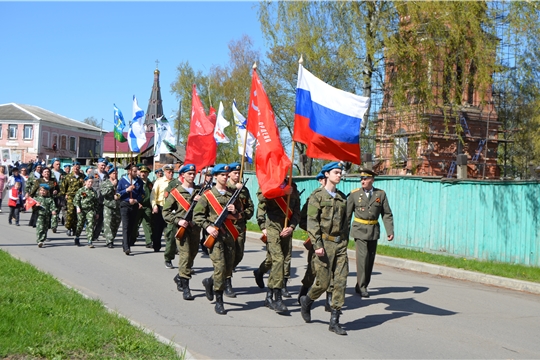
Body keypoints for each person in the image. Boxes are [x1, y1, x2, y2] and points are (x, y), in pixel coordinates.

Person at [300, 161, 349, 335]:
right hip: (323, 244)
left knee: (341, 281)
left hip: (340, 244)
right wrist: (317, 245)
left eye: (340, 172)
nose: (339, 175)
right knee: (323, 283)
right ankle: (307, 301)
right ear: (326, 174)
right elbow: (312, 222)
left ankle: (334, 321)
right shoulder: (317, 196)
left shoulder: (342, 198)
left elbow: (345, 223)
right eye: (336, 172)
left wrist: (344, 241)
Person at [193, 164, 241, 315]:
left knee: (228, 267)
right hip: (214, 236)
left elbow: (241, 216)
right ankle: (219, 301)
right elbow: (198, 216)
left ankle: (209, 281)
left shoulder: (233, 194)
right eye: (222, 175)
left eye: (227, 175)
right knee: (220, 267)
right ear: (215, 177)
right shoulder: (208, 195)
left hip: (229, 235)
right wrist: (208, 227)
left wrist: (236, 211)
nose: (225, 177)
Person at [254, 178, 301, 313]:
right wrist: (281, 192)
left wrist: (292, 226)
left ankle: (268, 296)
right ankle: (278, 297)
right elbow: (262, 198)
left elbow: (296, 209)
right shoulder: (269, 182)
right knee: (278, 260)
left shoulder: (293, 185)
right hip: (273, 226)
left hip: (286, 227)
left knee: (279, 260)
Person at [346, 168, 394, 298]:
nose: (363, 180)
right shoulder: (354, 194)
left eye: (366, 178)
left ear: (372, 180)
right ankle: (362, 287)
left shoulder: (380, 194)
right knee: (363, 258)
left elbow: (386, 214)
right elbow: (347, 214)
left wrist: (390, 231)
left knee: (370, 260)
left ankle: (362, 283)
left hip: (373, 230)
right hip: (359, 230)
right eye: (361, 178)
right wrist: (343, 232)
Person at [162, 164, 201, 300]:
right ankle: (186, 287)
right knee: (184, 257)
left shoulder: (199, 191)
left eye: (193, 173)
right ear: (183, 175)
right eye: (189, 173)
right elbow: (165, 212)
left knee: (192, 256)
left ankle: (179, 276)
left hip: (195, 228)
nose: (192, 175)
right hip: (182, 230)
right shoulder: (176, 192)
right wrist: (178, 221)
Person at [224, 162, 254, 297]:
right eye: (235, 173)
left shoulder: (244, 190)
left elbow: (250, 208)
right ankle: (227, 282)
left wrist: (241, 214)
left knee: (239, 254)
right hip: (227, 226)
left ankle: (216, 279)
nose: (237, 175)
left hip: (240, 226)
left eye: (239, 173)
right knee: (229, 255)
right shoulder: (224, 188)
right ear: (229, 174)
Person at [297, 172, 327, 305]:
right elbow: (303, 220)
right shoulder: (313, 198)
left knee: (332, 272)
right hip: (317, 241)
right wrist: (314, 233)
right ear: (321, 180)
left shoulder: (337, 197)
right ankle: (304, 293)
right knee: (312, 270)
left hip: (332, 241)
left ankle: (330, 301)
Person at [117, 163, 144, 255]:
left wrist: (136, 200)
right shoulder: (122, 181)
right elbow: (117, 195)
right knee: (126, 226)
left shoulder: (139, 182)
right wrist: (127, 191)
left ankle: (125, 242)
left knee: (132, 227)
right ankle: (127, 247)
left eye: (137, 171)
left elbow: (142, 194)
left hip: (134, 205)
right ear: (129, 171)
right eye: (135, 171)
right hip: (125, 205)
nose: (137, 173)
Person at [151, 164, 174, 256]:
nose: (171, 174)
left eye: (172, 172)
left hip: (171, 209)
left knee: (171, 229)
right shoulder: (159, 181)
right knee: (158, 228)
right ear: (165, 172)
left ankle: (171, 247)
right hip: (160, 207)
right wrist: (154, 205)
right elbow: (153, 194)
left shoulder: (175, 182)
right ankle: (156, 245)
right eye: (169, 172)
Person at [30, 167, 60, 233]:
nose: (47, 173)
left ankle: (53, 226)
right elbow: (33, 191)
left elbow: (58, 189)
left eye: (48, 172)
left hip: (51, 200)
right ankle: (41, 232)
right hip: (41, 200)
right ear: (42, 173)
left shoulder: (53, 181)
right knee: (41, 216)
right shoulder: (39, 181)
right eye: (45, 172)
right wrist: (30, 198)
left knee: (52, 215)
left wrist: (56, 191)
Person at [73, 175, 99, 247]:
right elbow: (76, 200)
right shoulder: (81, 190)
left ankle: (89, 241)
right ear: (85, 182)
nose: (90, 183)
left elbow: (96, 203)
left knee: (90, 224)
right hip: (81, 210)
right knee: (80, 224)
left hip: (90, 210)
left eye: (91, 182)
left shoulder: (94, 192)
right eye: (89, 182)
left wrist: (97, 212)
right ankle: (77, 237)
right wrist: (78, 207)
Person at [131, 165, 153, 247]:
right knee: (135, 224)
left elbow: (152, 195)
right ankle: (132, 239)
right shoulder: (136, 182)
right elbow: (133, 194)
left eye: (145, 172)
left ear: (148, 174)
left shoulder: (150, 184)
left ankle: (149, 241)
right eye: (142, 172)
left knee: (147, 224)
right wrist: (137, 203)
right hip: (138, 205)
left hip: (147, 206)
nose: (143, 174)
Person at [61, 162, 84, 236]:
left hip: (79, 197)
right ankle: (68, 227)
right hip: (70, 197)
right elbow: (63, 187)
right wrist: (65, 194)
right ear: (72, 168)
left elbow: (84, 188)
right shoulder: (68, 177)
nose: (76, 168)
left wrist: (84, 196)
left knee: (77, 214)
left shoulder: (82, 177)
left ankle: (74, 228)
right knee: (70, 213)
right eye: (74, 167)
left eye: (77, 167)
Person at [101, 167, 121, 248]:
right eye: (113, 173)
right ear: (110, 174)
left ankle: (112, 237)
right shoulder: (105, 183)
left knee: (116, 224)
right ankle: (109, 241)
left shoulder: (120, 182)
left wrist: (118, 195)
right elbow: (103, 193)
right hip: (108, 205)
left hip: (117, 206)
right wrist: (112, 186)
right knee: (108, 224)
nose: (115, 175)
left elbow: (122, 192)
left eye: (116, 173)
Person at [33, 183, 57, 248]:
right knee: (40, 228)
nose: (42, 192)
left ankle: (43, 239)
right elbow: (33, 207)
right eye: (41, 190)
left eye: (44, 191)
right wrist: (36, 206)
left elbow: (53, 206)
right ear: (39, 191)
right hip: (40, 215)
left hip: (47, 216)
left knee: (45, 228)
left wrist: (53, 210)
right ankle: (39, 241)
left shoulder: (49, 199)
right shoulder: (36, 198)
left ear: (47, 192)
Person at [91, 158, 109, 243]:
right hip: (94, 199)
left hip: (103, 199)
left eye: (104, 165)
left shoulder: (106, 174)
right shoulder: (93, 173)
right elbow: (87, 184)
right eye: (102, 165)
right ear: (98, 165)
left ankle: (95, 235)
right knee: (93, 218)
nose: (103, 166)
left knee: (101, 219)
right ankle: (90, 234)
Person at [26, 162, 42, 227]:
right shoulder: (32, 175)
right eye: (38, 167)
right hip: (34, 194)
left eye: (40, 167)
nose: (39, 168)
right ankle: (34, 222)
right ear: (35, 167)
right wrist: (27, 192)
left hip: (40, 194)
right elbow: (28, 184)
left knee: (38, 208)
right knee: (35, 208)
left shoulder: (42, 175)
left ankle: (33, 222)